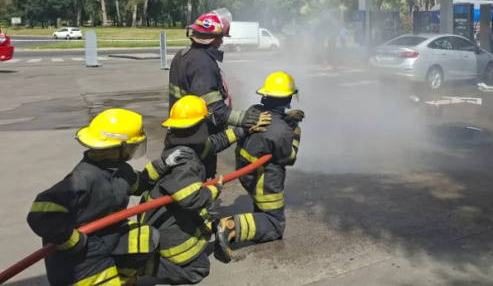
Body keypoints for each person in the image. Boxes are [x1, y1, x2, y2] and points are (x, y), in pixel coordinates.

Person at [27, 109, 192, 286]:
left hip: (105, 237)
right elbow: (40, 214)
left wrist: (164, 164)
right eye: (131, 146)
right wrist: (75, 241)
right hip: (80, 260)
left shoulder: (119, 170)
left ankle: (124, 276)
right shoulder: (84, 179)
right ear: (116, 148)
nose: (133, 150)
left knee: (146, 237)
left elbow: (141, 183)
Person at [140, 96, 269, 284]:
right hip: (167, 228)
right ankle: (143, 267)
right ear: (200, 126)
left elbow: (215, 142)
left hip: (159, 215)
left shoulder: (180, 146)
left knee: (202, 233)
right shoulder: (186, 162)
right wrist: (215, 188)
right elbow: (192, 199)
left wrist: (243, 130)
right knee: (199, 269)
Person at [215, 71, 304, 263]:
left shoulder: (255, 111)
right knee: (275, 224)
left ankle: (255, 220)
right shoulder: (281, 131)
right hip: (266, 182)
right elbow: (289, 158)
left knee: (261, 210)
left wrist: (284, 120)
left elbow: (270, 126)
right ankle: (230, 226)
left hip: (248, 173)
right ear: (288, 98)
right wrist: (295, 133)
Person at [168, 8, 253, 180]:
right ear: (213, 39)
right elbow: (213, 107)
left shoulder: (183, 55)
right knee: (198, 178)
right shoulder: (203, 63)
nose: (222, 41)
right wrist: (245, 119)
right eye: (221, 37)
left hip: (181, 129)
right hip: (199, 133)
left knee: (183, 176)